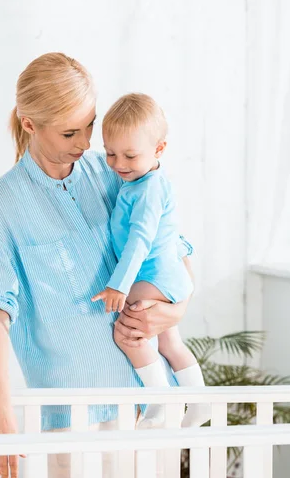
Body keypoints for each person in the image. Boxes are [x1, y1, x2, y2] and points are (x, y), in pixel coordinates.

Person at [0, 52, 194, 478]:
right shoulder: (1, 206)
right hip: (76, 414)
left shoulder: (114, 172)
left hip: (149, 398)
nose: (87, 143)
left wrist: (174, 311)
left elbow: (170, 249)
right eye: (71, 131)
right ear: (29, 124)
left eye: (90, 124)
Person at [92, 93, 210, 428]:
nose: (118, 163)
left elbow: (139, 241)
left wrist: (119, 284)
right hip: (166, 276)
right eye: (110, 153)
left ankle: (159, 402)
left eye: (130, 155)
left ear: (159, 150)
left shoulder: (148, 189)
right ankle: (200, 403)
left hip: (154, 275)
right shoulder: (141, 182)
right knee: (170, 340)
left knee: (129, 334)